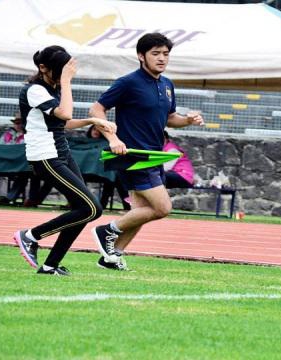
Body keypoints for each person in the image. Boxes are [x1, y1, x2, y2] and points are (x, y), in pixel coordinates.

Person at [89, 32, 204, 271]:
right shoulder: (127, 82)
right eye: (156, 54)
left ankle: (112, 256)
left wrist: (188, 120)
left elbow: (170, 119)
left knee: (141, 211)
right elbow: (97, 109)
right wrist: (112, 137)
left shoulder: (167, 84)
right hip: (132, 155)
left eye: (165, 54)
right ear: (141, 56)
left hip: (155, 155)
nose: (162, 58)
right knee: (162, 208)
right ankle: (106, 231)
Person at [13, 45, 116, 276]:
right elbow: (66, 114)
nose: (63, 77)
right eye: (59, 72)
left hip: (62, 153)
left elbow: (64, 123)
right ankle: (30, 236)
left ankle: (50, 266)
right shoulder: (35, 90)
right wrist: (67, 80)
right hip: (46, 157)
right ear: (43, 68)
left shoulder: (53, 89)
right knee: (92, 208)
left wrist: (92, 121)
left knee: (82, 209)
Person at [86, 125, 130, 210]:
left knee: (114, 177)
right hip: (86, 172)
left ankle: (125, 207)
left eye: (99, 130)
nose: (96, 131)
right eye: (94, 129)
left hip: (104, 172)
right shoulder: (82, 143)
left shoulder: (107, 144)